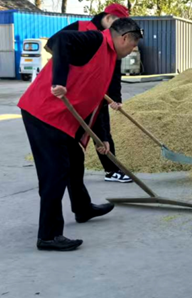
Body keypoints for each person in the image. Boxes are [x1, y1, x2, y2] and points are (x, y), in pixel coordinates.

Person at [19, 18, 143, 251]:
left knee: (75, 163)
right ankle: (48, 235)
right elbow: (61, 40)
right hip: (44, 113)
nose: (132, 50)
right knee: (54, 173)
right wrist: (59, 81)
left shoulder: (109, 58)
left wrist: (103, 136)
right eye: (133, 45)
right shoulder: (95, 40)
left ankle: (82, 208)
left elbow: (98, 100)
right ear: (124, 38)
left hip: (64, 119)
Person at [57, 3, 133, 184]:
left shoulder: (114, 39)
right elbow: (57, 46)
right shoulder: (81, 28)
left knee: (103, 130)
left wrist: (116, 99)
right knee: (71, 133)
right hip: (73, 91)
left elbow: (115, 71)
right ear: (108, 18)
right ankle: (62, 173)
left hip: (98, 92)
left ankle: (112, 170)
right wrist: (64, 77)